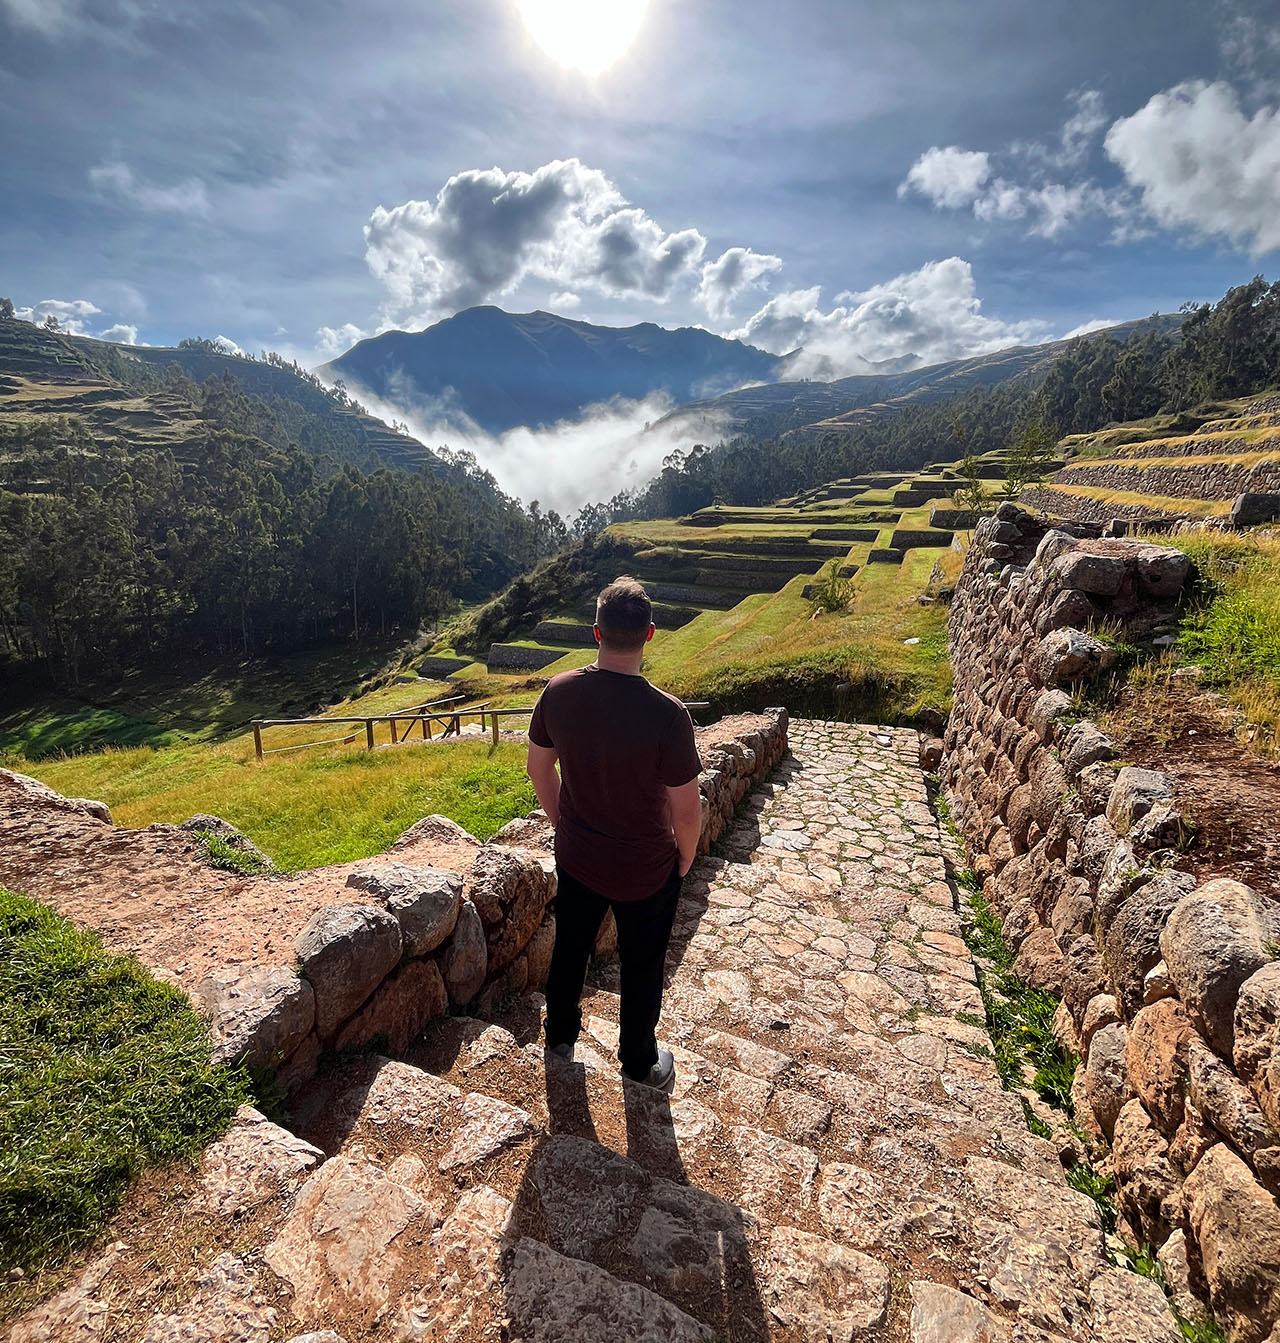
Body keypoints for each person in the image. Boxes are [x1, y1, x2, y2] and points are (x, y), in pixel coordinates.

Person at [526, 575, 703, 1091]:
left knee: (570, 948)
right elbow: (686, 811)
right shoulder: (668, 716)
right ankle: (638, 1061)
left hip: (579, 856)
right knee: (643, 964)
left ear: (595, 633)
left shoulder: (557, 693)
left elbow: (539, 770)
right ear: (649, 634)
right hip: (646, 869)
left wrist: (564, 825)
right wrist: (685, 858)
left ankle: (559, 1037)